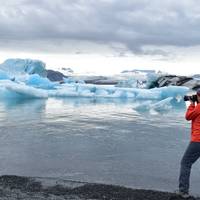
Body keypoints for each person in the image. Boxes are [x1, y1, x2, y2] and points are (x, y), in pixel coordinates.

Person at [178, 89, 200, 198]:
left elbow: (188, 117)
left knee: (185, 163)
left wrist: (192, 104)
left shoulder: (199, 107)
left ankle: (183, 191)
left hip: (198, 140)